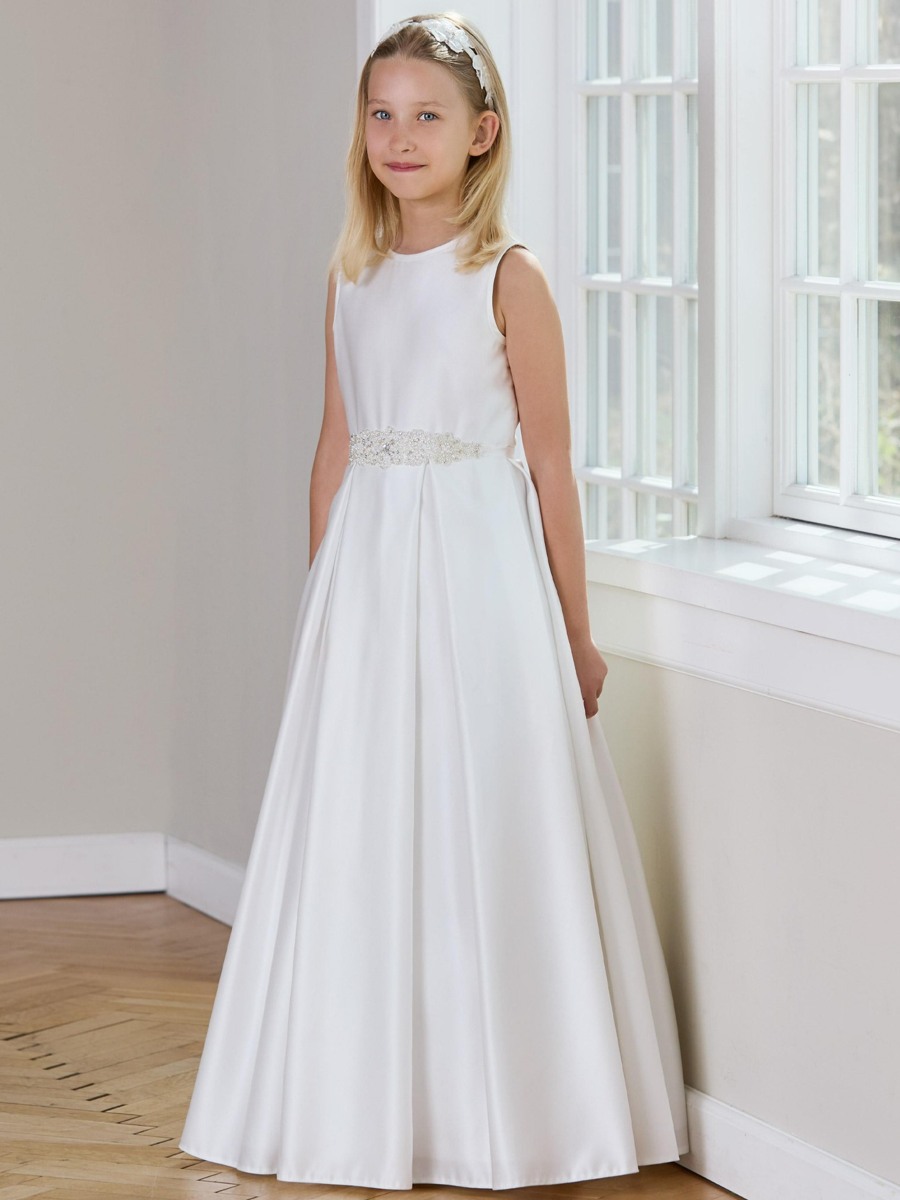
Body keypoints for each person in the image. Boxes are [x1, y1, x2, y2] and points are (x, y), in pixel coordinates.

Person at [178, 11, 689, 1190]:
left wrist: (575, 633)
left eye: (426, 116)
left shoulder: (507, 277)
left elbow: (551, 467)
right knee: (368, 823)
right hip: (366, 584)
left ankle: (505, 1105)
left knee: (485, 811)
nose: (399, 138)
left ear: (481, 134)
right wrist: (322, 608)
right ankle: (357, 1097)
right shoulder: (351, 276)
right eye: (380, 114)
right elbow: (334, 448)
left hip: (479, 578)